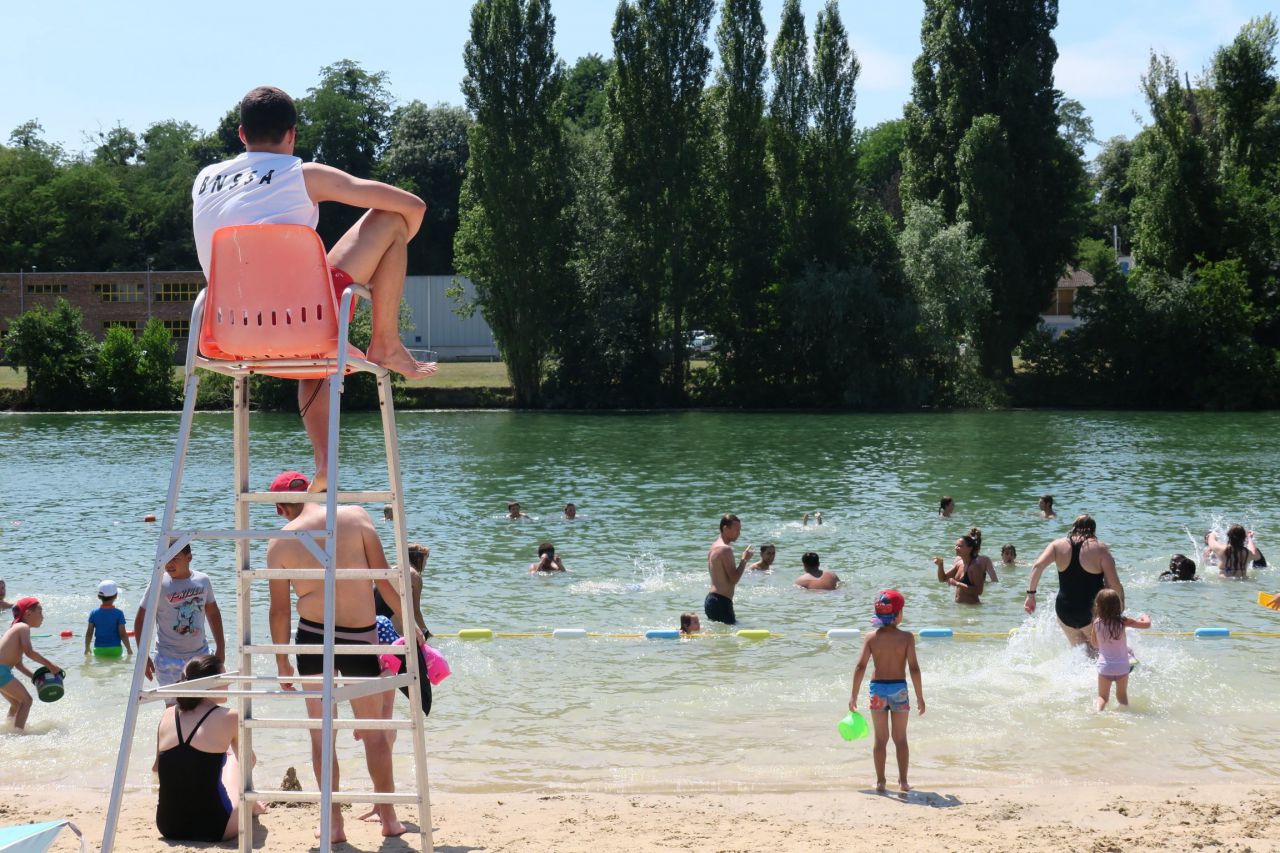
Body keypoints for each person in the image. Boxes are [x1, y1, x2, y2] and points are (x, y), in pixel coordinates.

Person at [191, 86, 437, 492]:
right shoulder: (303, 174)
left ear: (241, 134)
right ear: (292, 134)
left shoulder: (204, 181)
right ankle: (386, 342)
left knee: (312, 344)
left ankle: (324, 464)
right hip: (303, 324)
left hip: (226, 332)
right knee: (392, 221)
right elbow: (414, 206)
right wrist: (390, 258)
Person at [265, 470, 409, 840]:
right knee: (375, 733)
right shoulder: (356, 516)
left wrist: (281, 658)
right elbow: (384, 580)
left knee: (322, 733)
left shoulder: (279, 543)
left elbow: (279, 610)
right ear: (313, 493)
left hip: (312, 636)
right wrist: (410, 626)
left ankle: (333, 823)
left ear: (281, 507)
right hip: (360, 636)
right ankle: (389, 819)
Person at [155, 655, 262, 841]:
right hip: (215, 827)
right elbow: (249, 762)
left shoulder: (167, 715)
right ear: (209, 683)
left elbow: (156, 768)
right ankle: (253, 806)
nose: (229, 683)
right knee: (233, 760)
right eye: (224, 677)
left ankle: (250, 805)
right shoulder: (230, 717)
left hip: (168, 826)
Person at [849, 590, 925, 795]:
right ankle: (903, 782)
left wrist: (853, 695)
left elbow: (860, 667)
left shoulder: (871, 637)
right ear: (898, 614)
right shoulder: (907, 637)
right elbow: (914, 668)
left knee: (880, 739)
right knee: (900, 738)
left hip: (877, 689)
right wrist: (919, 696)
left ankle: (881, 781)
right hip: (899, 688)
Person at [136, 543, 225, 700]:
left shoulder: (203, 581)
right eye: (165, 559)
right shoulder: (158, 584)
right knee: (174, 709)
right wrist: (143, 656)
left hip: (200, 656)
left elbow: (213, 613)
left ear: (189, 558)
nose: (169, 563)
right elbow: (141, 619)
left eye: (175, 558)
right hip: (168, 659)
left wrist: (221, 647)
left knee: (208, 704)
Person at [1025, 514, 1123, 650]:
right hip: (1091, 611)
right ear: (1093, 531)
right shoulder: (1100, 549)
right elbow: (1114, 584)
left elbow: (1037, 566)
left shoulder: (1056, 545)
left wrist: (1031, 596)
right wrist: (1119, 608)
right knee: (1103, 653)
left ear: (1073, 527)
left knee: (1081, 654)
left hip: (1064, 611)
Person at [1, 598, 63, 730]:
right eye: (40, 612)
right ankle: (17, 734)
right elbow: (29, 652)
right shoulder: (22, 627)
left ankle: (8, 729)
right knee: (27, 701)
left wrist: (37, 678)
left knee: (16, 704)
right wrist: (50, 665)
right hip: (2, 671)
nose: (43, 617)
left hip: (2, 671)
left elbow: (19, 665)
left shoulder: (15, 628)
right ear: (28, 614)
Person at [1091, 589, 1151, 711]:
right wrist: (1145, 617)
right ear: (1118, 605)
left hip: (1105, 667)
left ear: (1098, 605)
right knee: (1122, 697)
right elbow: (1146, 625)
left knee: (1102, 697)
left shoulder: (1097, 623)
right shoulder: (1122, 621)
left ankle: (1097, 712)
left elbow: (1095, 644)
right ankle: (1125, 715)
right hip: (1122, 667)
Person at [705, 514, 753, 625]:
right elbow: (734, 578)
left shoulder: (714, 546)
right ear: (725, 529)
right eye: (736, 530)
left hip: (713, 600)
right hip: (721, 602)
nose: (739, 533)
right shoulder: (725, 549)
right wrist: (744, 560)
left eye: (740, 530)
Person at [373, 543, 430, 638]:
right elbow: (415, 611)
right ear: (419, 559)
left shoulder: (392, 569)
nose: (426, 564)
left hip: (374, 618)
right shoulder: (415, 576)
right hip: (389, 621)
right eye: (426, 559)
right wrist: (426, 632)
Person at [934, 528, 995, 604]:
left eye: (960, 546)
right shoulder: (959, 563)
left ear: (970, 548)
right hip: (960, 608)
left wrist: (957, 583)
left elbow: (979, 591)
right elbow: (942, 579)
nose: (956, 548)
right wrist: (940, 565)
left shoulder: (975, 566)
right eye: (956, 545)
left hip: (972, 609)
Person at [86, 579, 133, 658]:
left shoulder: (94, 613)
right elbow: (123, 634)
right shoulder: (119, 613)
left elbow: (89, 633)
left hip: (99, 649)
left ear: (98, 596)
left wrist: (87, 648)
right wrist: (129, 649)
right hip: (116, 650)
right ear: (116, 596)